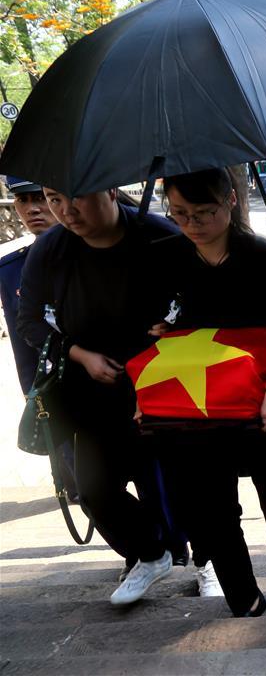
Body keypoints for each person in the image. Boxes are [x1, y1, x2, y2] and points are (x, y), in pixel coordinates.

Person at [146, 168, 266, 617]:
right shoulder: (164, 257)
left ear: (231, 202)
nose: (191, 224)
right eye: (179, 213)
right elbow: (152, 321)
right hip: (198, 401)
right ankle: (244, 595)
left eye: (203, 212)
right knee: (211, 502)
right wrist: (158, 327)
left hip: (262, 397)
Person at [18, 185, 180, 604]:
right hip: (90, 388)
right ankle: (150, 553)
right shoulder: (51, 249)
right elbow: (30, 322)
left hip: (161, 383)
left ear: (109, 190)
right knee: (93, 488)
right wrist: (81, 355)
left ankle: (204, 560)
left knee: (170, 482)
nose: (64, 211)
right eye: (54, 199)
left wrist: (168, 334)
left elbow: (193, 300)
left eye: (75, 197)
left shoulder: (158, 235)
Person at [0, 177, 58, 393]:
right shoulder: (10, 270)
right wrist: (31, 397)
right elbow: (23, 352)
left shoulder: (90, 254)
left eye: (40, 198)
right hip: (51, 392)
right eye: (22, 199)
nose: (32, 209)